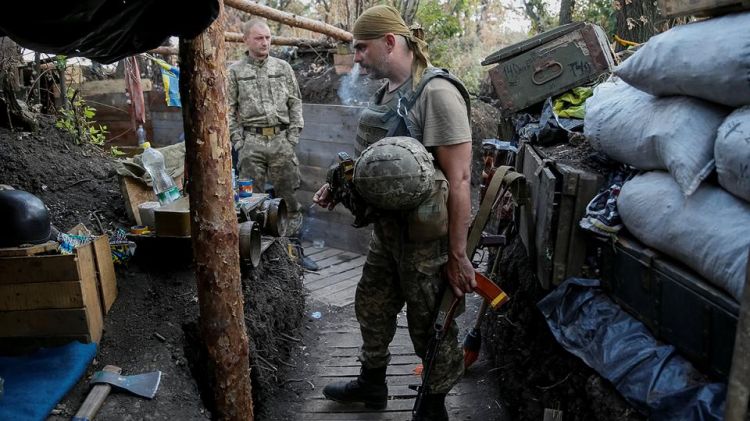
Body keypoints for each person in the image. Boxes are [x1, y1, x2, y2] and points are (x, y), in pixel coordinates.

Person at [312, 5, 475, 420]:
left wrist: (457, 256)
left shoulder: (437, 94)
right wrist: (339, 184)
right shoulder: (387, 95)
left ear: (390, 42)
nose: (358, 57)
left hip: (426, 241)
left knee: (429, 325)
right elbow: (377, 164)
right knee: (372, 304)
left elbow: (459, 181)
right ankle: (372, 383)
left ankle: (434, 405)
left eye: (362, 47)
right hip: (388, 234)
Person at [227, 19, 318, 271]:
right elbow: (228, 109)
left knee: (289, 199)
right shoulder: (235, 71)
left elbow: (295, 103)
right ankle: (260, 258)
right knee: (250, 202)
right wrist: (238, 141)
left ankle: (294, 254)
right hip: (251, 142)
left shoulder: (283, 67)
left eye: (268, 37)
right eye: (259, 38)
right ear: (246, 39)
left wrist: (292, 138)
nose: (265, 42)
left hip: (281, 140)